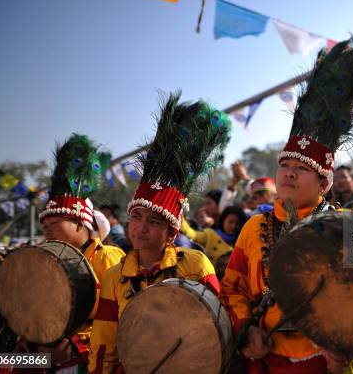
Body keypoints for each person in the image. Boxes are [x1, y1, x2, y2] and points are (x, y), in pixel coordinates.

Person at [221, 33, 353, 374]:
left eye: (302, 169)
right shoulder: (255, 227)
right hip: (268, 358)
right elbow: (232, 287)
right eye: (285, 166)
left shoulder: (347, 225)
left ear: (324, 183)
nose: (289, 174)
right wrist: (246, 328)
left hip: (331, 362)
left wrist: (344, 340)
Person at [88, 93, 232, 373]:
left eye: (154, 221)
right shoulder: (114, 277)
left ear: (171, 231)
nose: (141, 228)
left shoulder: (195, 265)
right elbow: (104, 343)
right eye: (136, 217)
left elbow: (220, 331)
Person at [36, 134, 125, 372]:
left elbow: (123, 320)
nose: (48, 230)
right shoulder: (48, 264)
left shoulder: (109, 257)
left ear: (78, 223)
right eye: (44, 226)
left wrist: (75, 345)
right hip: (47, 355)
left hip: (91, 358)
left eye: (55, 223)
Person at [181, 205, 248, 279]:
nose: (233, 226)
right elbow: (194, 235)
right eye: (230, 222)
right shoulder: (211, 235)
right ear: (223, 220)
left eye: (237, 224)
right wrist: (181, 219)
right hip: (196, 275)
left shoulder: (237, 248)